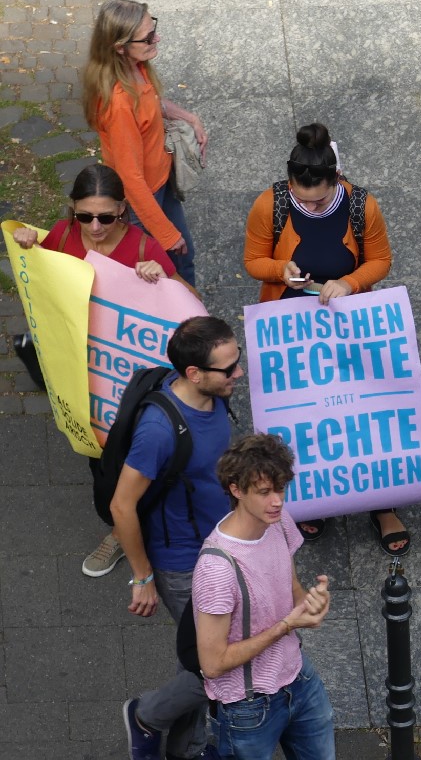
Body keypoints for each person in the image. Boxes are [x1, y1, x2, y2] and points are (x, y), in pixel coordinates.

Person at [11, 162, 196, 579]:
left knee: (136, 457)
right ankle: (124, 522)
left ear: (122, 210)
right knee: (101, 458)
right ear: (72, 209)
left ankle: (123, 529)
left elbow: (192, 306)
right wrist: (29, 245)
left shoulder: (144, 248)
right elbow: (44, 280)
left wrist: (164, 281)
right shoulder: (62, 236)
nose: (94, 227)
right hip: (86, 379)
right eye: (85, 216)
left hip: (132, 381)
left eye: (106, 217)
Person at [243, 121, 406, 552]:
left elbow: (381, 260)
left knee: (364, 411)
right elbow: (253, 260)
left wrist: (350, 282)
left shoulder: (361, 206)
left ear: (336, 180)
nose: (309, 206)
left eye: (317, 200)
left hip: (348, 322)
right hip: (291, 325)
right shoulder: (270, 205)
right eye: (301, 199)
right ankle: (314, 492)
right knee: (304, 412)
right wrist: (281, 271)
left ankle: (382, 504)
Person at [116, 316, 242, 760]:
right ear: (194, 373)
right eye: (229, 368)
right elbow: (122, 506)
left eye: (238, 360)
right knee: (215, 661)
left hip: (222, 545)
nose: (239, 373)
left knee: (202, 656)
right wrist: (143, 577)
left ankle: (186, 747)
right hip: (185, 563)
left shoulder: (214, 394)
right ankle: (147, 716)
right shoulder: (158, 431)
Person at [193, 433, 334, 760]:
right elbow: (212, 664)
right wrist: (286, 626)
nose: (277, 501)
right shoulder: (217, 568)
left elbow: (292, 587)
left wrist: (311, 606)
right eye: (264, 492)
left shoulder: (278, 522)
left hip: (298, 677)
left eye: (280, 489)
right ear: (236, 490)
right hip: (248, 705)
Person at [83, 0, 207, 287]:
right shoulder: (119, 104)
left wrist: (189, 117)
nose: (157, 38)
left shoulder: (134, 67)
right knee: (166, 270)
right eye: (149, 37)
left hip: (160, 185)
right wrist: (166, 234)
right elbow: (130, 179)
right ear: (120, 47)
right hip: (144, 199)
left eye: (154, 29)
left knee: (183, 258)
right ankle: (186, 311)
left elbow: (151, 103)